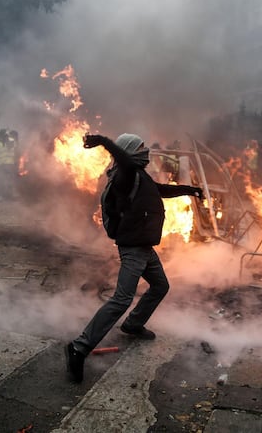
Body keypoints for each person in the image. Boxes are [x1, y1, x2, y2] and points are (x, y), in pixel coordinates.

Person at [65, 132, 204, 383]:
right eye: (140, 146)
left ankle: (133, 324)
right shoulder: (125, 175)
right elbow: (124, 160)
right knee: (121, 299)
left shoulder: (139, 176)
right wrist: (104, 142)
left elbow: (159, 190)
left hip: (145, 247)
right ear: (129, 152)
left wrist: (190, 190)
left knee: (161, 285)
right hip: (134, 248)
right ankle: (79, 346)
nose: (146, 149)